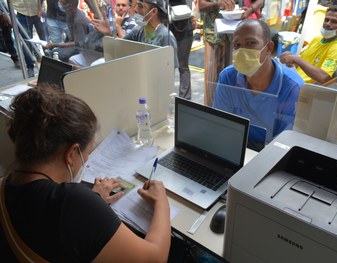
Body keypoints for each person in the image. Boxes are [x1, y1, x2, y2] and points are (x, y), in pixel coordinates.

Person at [0, 84, 171, 262]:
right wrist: (161, 202)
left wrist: (93, 199)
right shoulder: (73, 201)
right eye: (88, 153)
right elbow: (155, 258)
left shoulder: (6, 183)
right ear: (72, 153)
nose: (86, 160)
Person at [213, 19, 304, 143]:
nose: (242, 51)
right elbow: (221, 125)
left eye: (251, 43)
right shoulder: (228, 77)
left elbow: (286, 143)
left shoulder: (292, 87)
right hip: (235, 147)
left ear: (269, 48)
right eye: (237, 45)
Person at [92, 0, 179, 67]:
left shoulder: (165, 36)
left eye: (141, 6)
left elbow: (169, 68)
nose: (135, 9)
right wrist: (109, 33)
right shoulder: (139, 29)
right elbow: (121, 45)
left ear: (154, 11)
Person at [280, 5, 337, 84]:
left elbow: (323, 77)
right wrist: (289, 59)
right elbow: (300, 65)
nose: (328, 24)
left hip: (303, 87)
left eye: (334, 22)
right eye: (326, 20)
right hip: (293, 79)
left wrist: (297, 59)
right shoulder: (316, 39)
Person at [199, 0, 235, 106]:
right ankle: (209, 110)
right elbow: (201, 6)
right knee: (212, 77)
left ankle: (225, 109)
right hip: (213, 35)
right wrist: (217, 4)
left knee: (228, 76)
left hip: (230, 34)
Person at [169, 0, 194, 99]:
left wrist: (193, 16)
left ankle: (185, 101)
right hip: (166, 25)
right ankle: (165, 99)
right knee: (167, 65)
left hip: (185, 25)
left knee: (183, 66)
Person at [0, 2, 21, 68]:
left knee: (22, 35)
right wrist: (1, 14)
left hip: (12, 11)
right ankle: (15, 58)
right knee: (8, 38)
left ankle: (28, 57)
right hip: (3, 15)